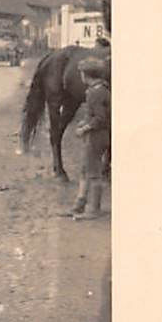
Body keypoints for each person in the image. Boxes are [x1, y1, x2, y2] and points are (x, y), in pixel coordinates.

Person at [69, 56, 111, 220]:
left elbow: (100, 119)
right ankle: (80, 203)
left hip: (96, 136)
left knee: (93, 173)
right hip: (96, 135)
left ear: (86, 75)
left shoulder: (95, 93)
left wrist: (85, 128)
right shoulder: (99, 89)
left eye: (81, 74)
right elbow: (93, 114)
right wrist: (84, 121)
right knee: (85, 170)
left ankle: (94, 209)